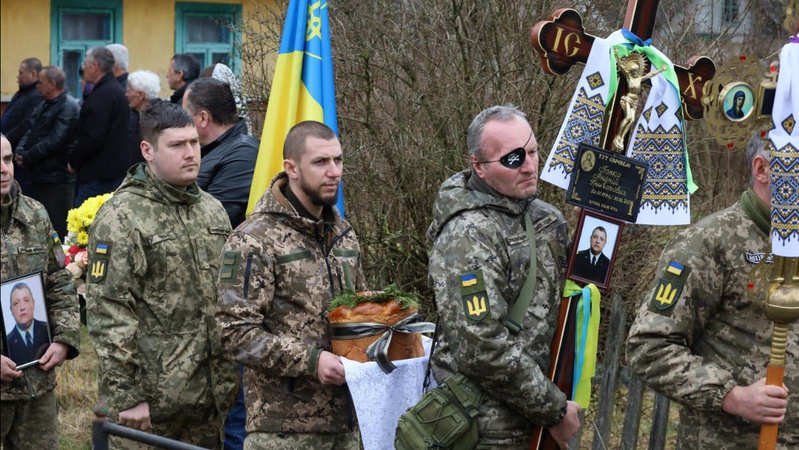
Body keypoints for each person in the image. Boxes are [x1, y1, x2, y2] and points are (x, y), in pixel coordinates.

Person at [626, 133, 798, 449]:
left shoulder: (795, 242)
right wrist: (732, 396)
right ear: (763, 170)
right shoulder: (708, 243)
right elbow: (648, 346)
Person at [426, 105, 581, 448]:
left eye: (532, 151)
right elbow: (481, 346)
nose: (529, 165)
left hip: (539, 424)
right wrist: (553, 410)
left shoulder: (548, 220)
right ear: (478, 166)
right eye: (513, 159)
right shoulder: (467, 235)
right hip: (486, 431)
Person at [86, 102, 238, 449]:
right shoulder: (121, 217)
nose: (190, 154)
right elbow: (108, 313)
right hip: (150, 410)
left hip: (210, 400)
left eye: (194, 143)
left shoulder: (211, 210)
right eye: (177, 145)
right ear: (148, 151)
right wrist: (129, 396)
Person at [215, 121, 366, 450]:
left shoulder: (343, 234)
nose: (334, 171)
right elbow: (234, 333)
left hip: (349, 423)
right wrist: (311, 361)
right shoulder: (253, 239)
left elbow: (357, 316)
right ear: (291, 168)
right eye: (321, 162)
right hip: (282, 429)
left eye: (338, 160)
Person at [0, 133, 81, 450]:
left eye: (7, 160)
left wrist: (64, 339)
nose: (4, 169)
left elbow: (59, 281)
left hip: (36, 380)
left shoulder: (35, 214)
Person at [12, 65, 80, 239]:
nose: (37, 86)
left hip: (56, 177)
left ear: (52, 84)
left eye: (40, 83)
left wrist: (27, 157)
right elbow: (30, 130)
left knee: (58, 225)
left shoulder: (68, 106)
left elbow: (56, 140)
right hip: (39, 174)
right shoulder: (44, 104)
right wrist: (20, 151)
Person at [184, 77, 258, 228]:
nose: (179, 123)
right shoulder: (212, 148)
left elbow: (213, 220)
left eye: (184, 115)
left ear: (203, 118)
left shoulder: (243, 154)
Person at [68, 46, 131, 206]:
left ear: (94, 66)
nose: (83, 69)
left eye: (85, 64)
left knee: (83, 226)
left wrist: (74, 162)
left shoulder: (102, 95)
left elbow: (92, 137)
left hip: (97, 175)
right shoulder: (115, 90)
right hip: (111, 171)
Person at [5, 283, 51, 365]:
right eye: (16, 303)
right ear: (11, 310)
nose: (22, 307)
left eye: (26, 300)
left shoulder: (48, 330)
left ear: (33, 303)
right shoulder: (7, 343)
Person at [125, 70, 163, 166]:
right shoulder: (136, 114)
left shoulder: (158, 119)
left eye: (129, 91)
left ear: (140, 95)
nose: (126, 95)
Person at [2, 58, 44, 140]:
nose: (18, 77)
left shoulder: (37, 96)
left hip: (14, 145)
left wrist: (5, 139)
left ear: (33, 74)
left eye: (21, 73)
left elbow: (26, 124)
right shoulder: (21, 92)